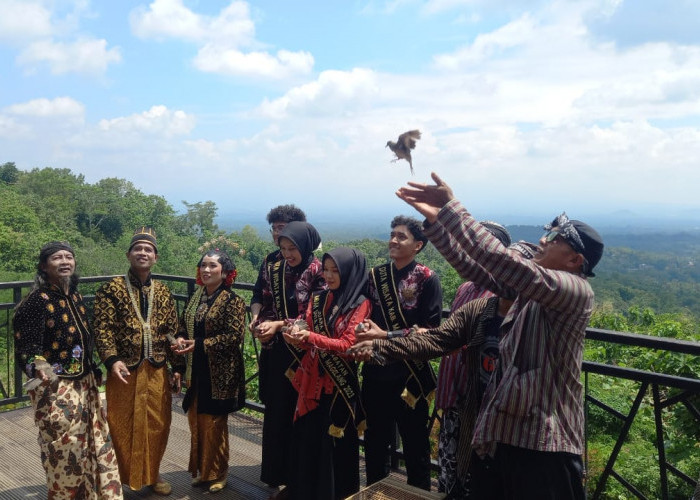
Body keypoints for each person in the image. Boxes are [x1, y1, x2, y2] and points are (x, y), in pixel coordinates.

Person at [397, 172, 604, 499]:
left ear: (575, 260)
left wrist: (453, 209)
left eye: (555, 238)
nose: (544, 240)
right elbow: (475, 269)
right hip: (504, 438)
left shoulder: (574, 290)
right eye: (547, 233)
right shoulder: (530, 292)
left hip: (544, 447)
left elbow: (501, 260)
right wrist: (437, 224)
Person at [349, 241, 538, 500]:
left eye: (513, 267)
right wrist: (380, 345)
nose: (503, 274)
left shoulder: (540, 315)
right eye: (500, 267)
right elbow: (436, 339)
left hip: (525, 423)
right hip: (481, 414)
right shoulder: (480, 309)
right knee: (480, 483)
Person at [13, 242, 123, 499]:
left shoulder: (74, 296)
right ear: (44, 266)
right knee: (65, 451)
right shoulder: (37, 302)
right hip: (57, 389)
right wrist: (39, 367)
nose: (64, 261)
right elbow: (26, 347)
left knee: (95, 447)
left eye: (69, 257)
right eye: (57, 258)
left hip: (86, 384)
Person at [93, 227, 185, 496]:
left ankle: (153, 474)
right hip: (124, 369)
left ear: (155, 257)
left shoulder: (164, 290)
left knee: (158, 423)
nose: (143, 253)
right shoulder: (112, 288)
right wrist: (111, 360)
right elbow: (102, 328)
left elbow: (170, 328)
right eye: (138, 248)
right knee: (121, 423)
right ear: (129, 254)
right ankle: (116, 478)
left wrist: (177, 362)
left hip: (156, 367)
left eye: (149, 250)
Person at [356, 215, 443, 490]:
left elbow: (429, 332)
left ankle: (417, 495)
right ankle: (377, 494)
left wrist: (384, 335)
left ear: (418, 245)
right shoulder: (375, 276)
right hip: (375, 369)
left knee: (415, 444)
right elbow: (361, 313)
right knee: (374, 441)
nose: (393, 240)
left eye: (401, 236)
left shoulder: (428, 279)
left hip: (409, 375)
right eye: (392, 234)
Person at [282, 247, 371, 500]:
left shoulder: (361, 304)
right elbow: (308, 335)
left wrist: (310, 336)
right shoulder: (319, 297)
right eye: (326, 269)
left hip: (338, 386)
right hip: (312, 381)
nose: (329, 276)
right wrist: (296, 337)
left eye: (336, 271)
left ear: (350, 273)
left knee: (334, 448)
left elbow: (348, 344)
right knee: (308, 441)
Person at [251, 221, 326, 498]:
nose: (287, 254)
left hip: (304, 351)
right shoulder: (275, 267)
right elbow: (264, 297)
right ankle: (276, 472)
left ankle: (299, 477)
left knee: (300, 414)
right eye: (282, 248)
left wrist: (279, 325)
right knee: (277, 410)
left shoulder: (319, 271)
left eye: (292, 248)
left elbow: (313, 313)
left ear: (305, 245)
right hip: (278, 349)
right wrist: (260, 320)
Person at [434, 222, 510, 496]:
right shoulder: (466, 288)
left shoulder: (499, 296)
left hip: (474, 392)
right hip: (451, 386)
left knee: (469, 468)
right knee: (449, 462)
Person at [172, 249, 246, 494]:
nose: (206, 270)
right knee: (196, 422)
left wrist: (201, 344)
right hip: (196, 369)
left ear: (224, 272)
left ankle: (219, 472)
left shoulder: (232, 301)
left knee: (214, 423)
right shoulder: (197, 298)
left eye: (212, 266)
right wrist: (182, 338)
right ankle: (203, 471)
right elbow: (184, 324)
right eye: (203, 265)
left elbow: (235, 337)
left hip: (220, 374)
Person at [249, 204, 307, 334]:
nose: (276, 233)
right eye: (273, 228)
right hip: (270, 334)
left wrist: (278, 325)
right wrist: (256, 318)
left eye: (281, 228)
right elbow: (258, 293)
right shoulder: (270, 260)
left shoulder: (310, 265)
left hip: (298, 337)